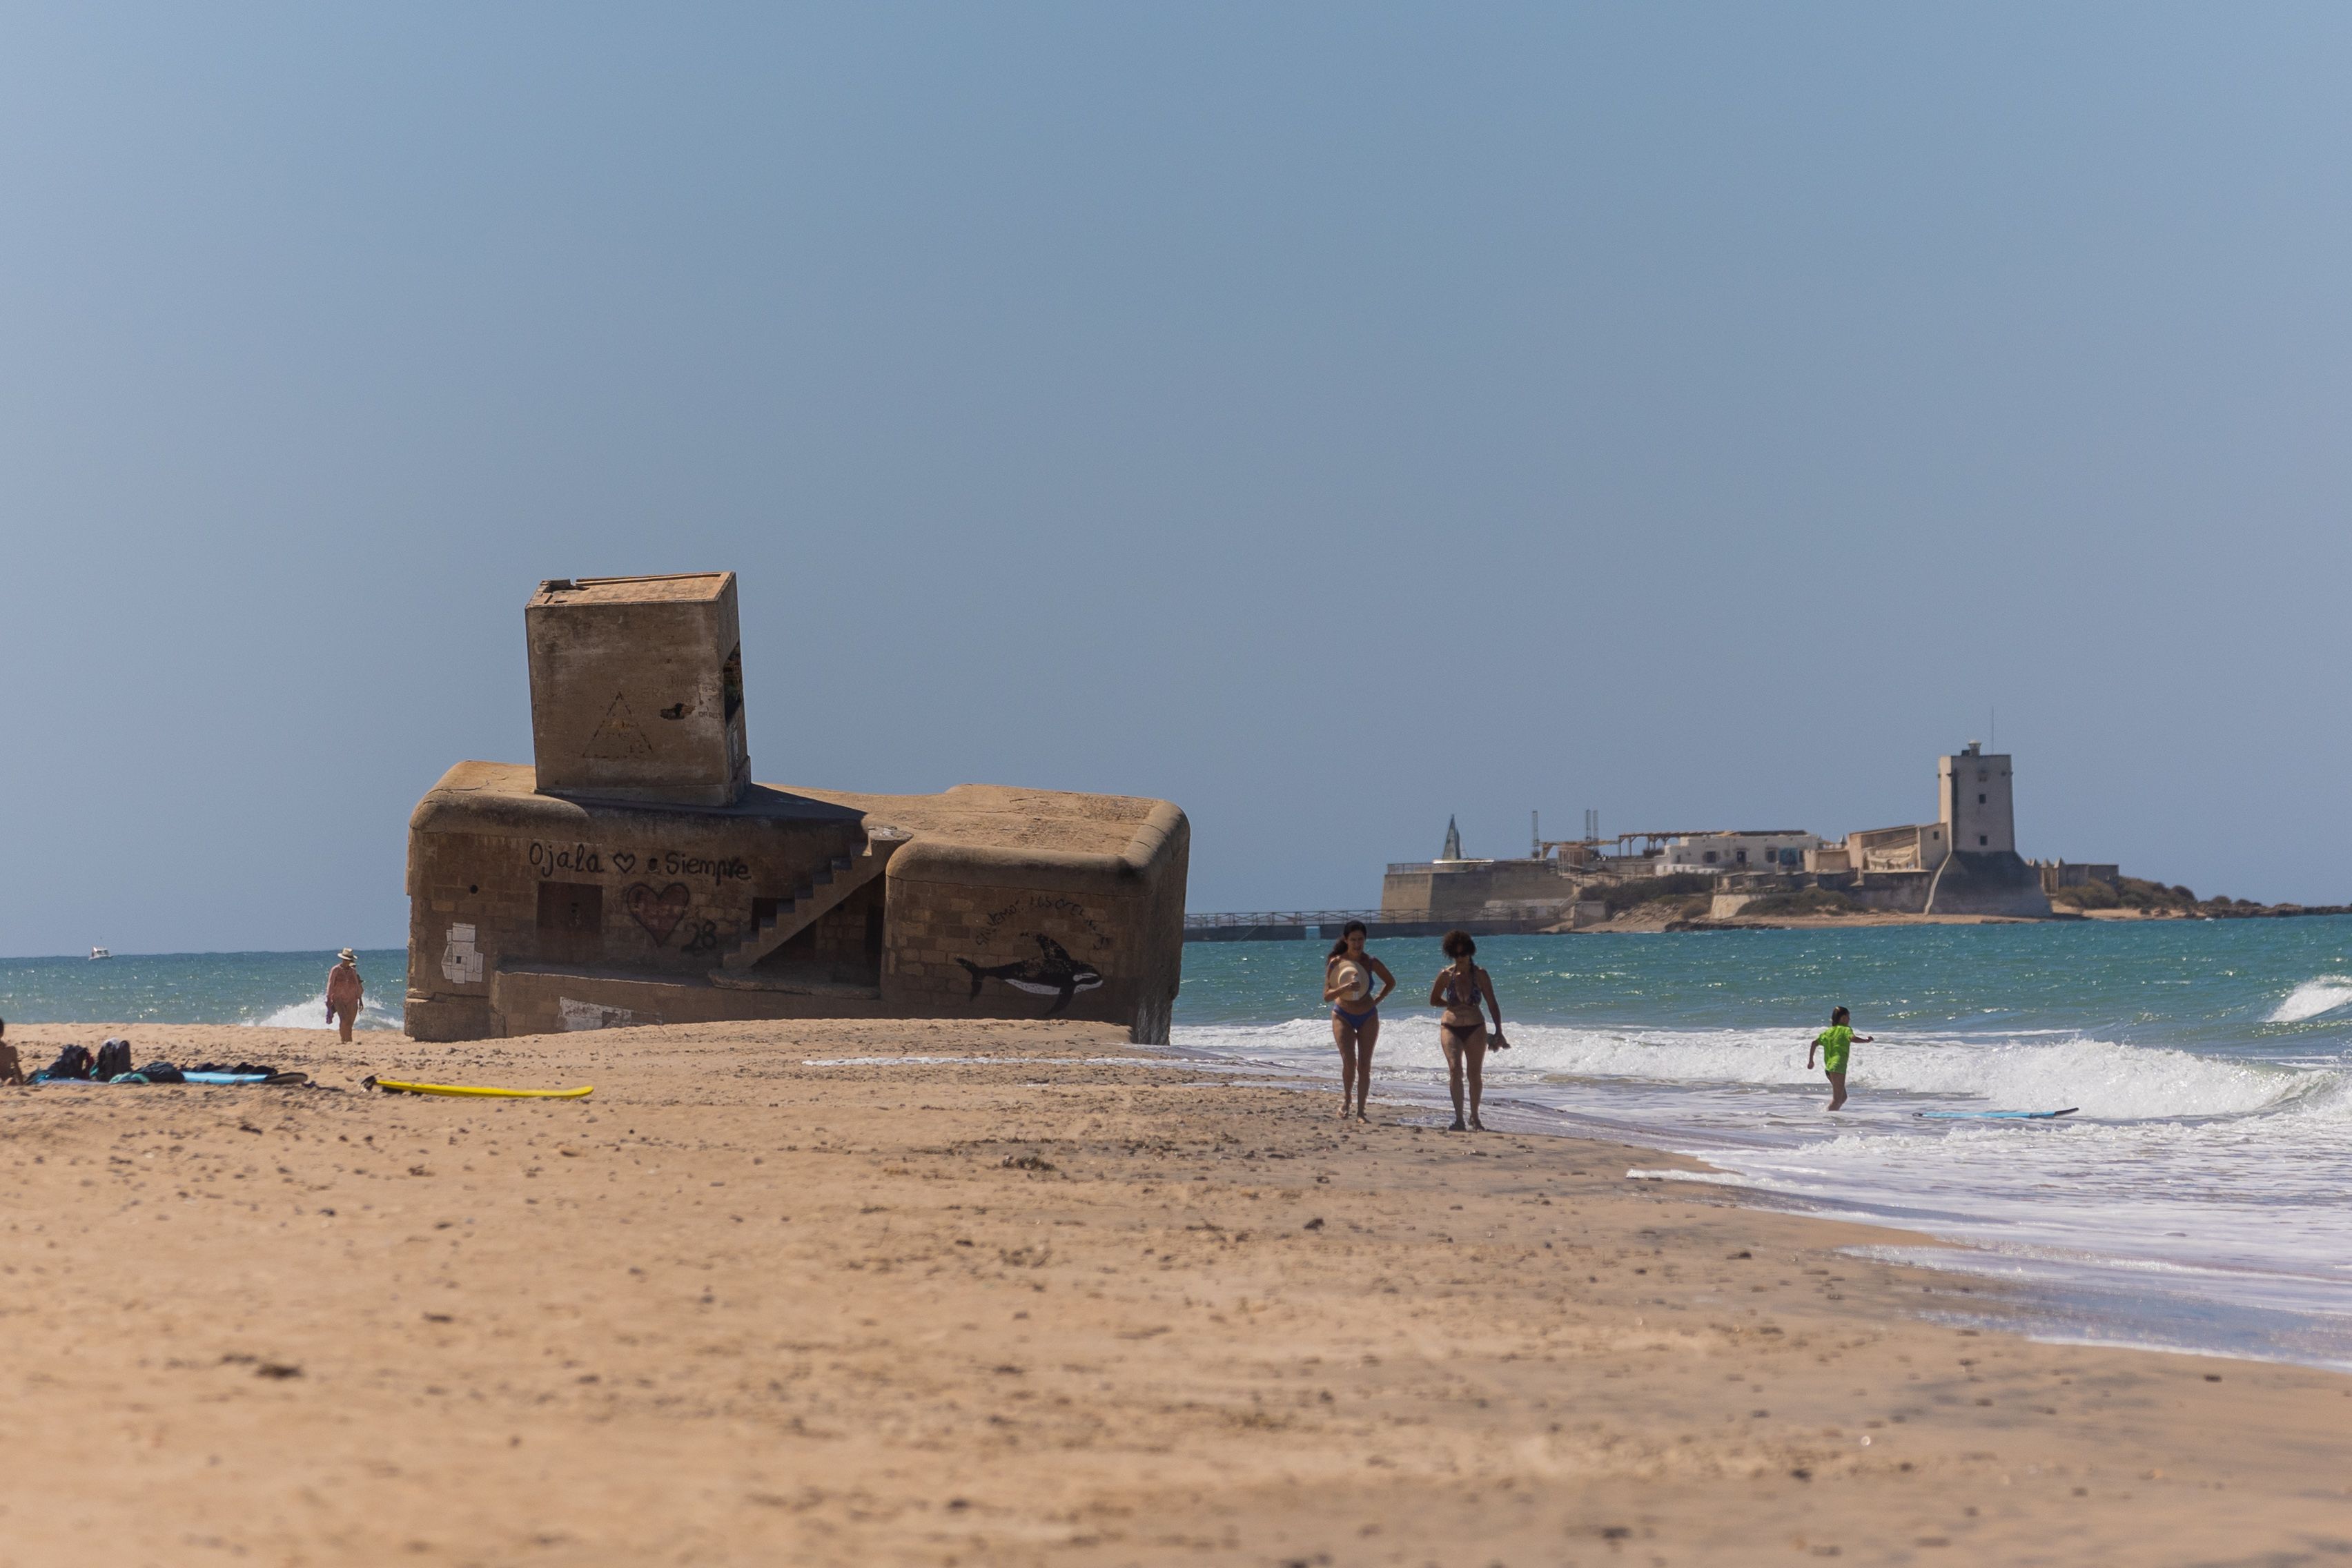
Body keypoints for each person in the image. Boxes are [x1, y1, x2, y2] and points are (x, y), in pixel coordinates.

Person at [1429, 930, 1507, 1131]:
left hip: (1475, 1027)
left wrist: (1499, 1030)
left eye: (1463, 954)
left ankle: (1475, 1117)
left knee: (1474, 1073)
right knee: (1455, 1069)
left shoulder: (1480, 975)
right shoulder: (1446, 975)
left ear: (1470, 953)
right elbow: (1433, 1000)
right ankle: (1459, 1119)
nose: (1460, 958)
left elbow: (1492, 1003)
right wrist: (1451, 1004)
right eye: (1456, 954)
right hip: (1450, 1027)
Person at [1322, 920, 1396, 1121]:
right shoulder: (1336, 963)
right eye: (1353, 940)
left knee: (1364, 1065)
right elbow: (1327, 996)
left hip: (1368, 1016)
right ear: (1346, 940)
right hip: (1342, 1015)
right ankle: (1347, 1099)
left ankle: (1361, 1112)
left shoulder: (1370, 962)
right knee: (1349, 1061)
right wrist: (1344, 988)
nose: (1357, 944)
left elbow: (1391, 982)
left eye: (1361, 940)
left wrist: (1377, 1000)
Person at [1805, 1006, 1872, 1111]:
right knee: (1837, 1100)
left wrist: (1811, 1061)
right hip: (1838, 1067)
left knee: (1843, 1097)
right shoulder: (1846, 1029)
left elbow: (1814, 1043)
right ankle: (1826, 1117)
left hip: (1829, 1069)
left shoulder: (1828, 1032)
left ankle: (1828, 1114)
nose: (1849, 1020)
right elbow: (1852, 1038)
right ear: (1843, 1018)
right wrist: (1866, 1040)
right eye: (1848, 1017)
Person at [326, 949, 364, 1043]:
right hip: (338, 999)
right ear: (342, 959)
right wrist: (329, 998)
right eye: (345, 960)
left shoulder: (353, 972)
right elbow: (330, 984)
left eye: (349, 960)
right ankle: (343, 1040)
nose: (347, 962)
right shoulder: (335, 970)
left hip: (352, 999)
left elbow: (357, 986)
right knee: (344, 1019)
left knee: (350, 1022)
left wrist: (360, 1000)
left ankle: (349, 1040)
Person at [0, 1017, 21, 1088]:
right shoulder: (10, 1050)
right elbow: (18, 1069)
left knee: (11, 1081)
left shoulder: (10, 1050)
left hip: (6, 1082)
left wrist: (22, 1084)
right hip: (5, 1081)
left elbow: (17, 1070)